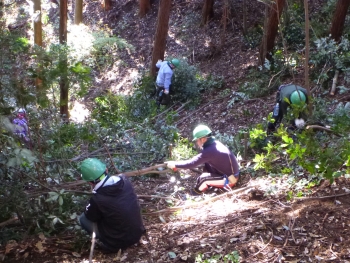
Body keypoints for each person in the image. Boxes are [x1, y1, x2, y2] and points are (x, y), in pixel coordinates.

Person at [79, 158, 145, 252]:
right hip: (137, 234)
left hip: (118, 241)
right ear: (106, 170)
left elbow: (90, 217)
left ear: (89, 182)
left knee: (82, 219)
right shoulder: (124, 180)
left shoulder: (97, 199)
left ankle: (110, 244)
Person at [165, 125, 240, 196]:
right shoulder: (215, 144)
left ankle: (195, 194)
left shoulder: (209, 151)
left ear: (203, 139)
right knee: (206, 167)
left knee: (203, 179)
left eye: (197, 140)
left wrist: (175, 164)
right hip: (229, 174)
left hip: (230, 180)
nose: (197, 143)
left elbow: (192, 163)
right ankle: (213, 183)